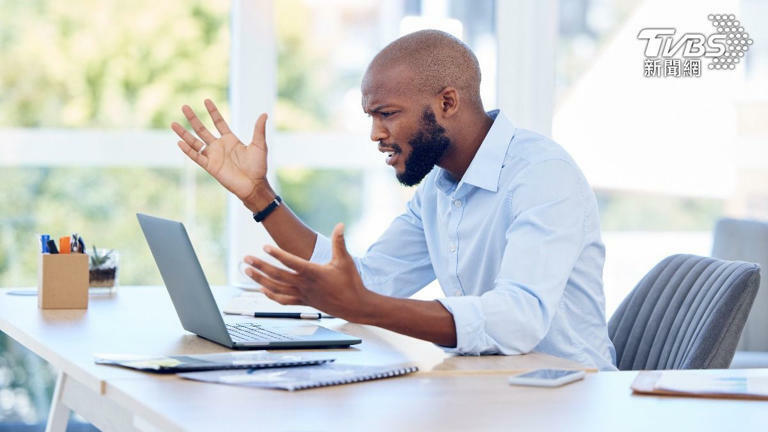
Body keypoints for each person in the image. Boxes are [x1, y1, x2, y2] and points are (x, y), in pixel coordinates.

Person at [171, 30, 617, 370]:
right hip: (494, 390)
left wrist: (365, 307)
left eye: (386, 114)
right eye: (371, 117)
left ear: (447, 102)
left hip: (570, 402)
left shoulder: (541, 175)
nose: (376, 134)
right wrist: (257, 195)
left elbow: (519, 319)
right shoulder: (440, 191)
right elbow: (369, 281)